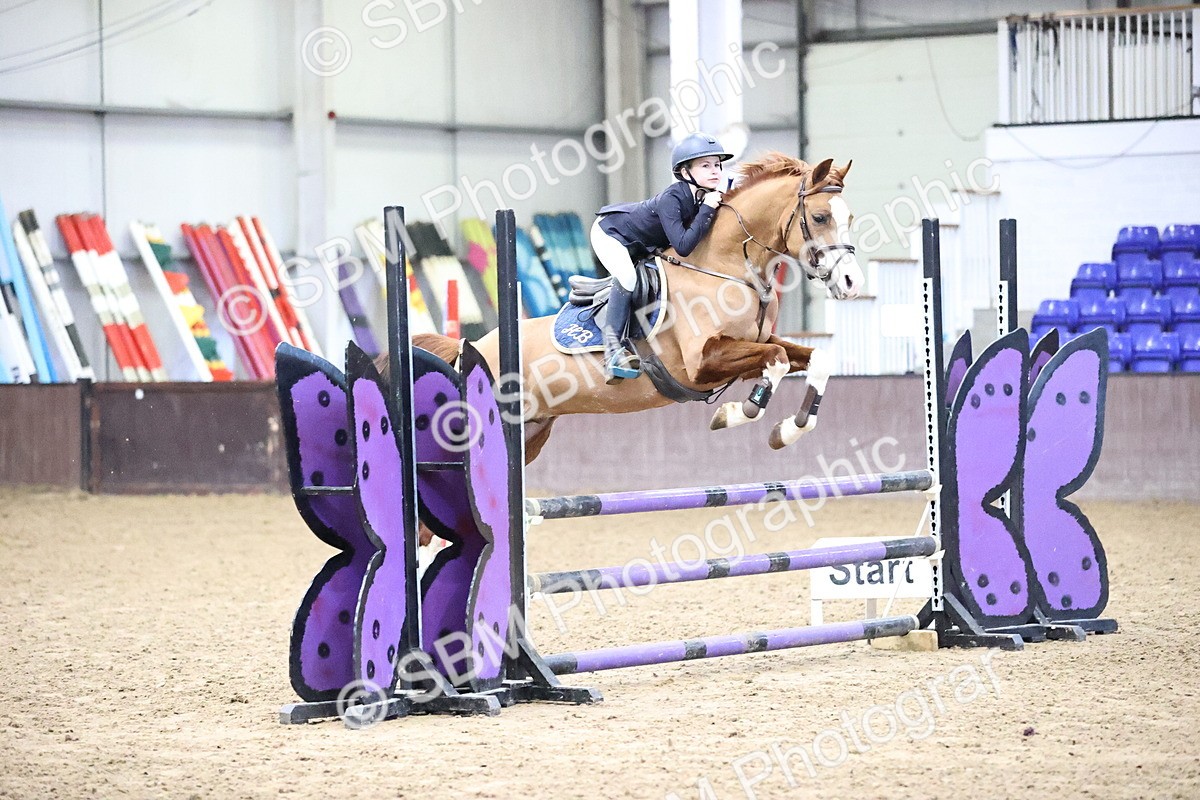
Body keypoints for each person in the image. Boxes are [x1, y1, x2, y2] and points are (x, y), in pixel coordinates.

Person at [591, 132, 733, 383]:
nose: (715, 171)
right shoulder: (673, 197)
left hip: (643, 243)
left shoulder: (706, 197)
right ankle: (612, 351)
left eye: (717, 165)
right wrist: (709, 208)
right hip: (611, 233)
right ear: (685, 172)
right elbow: (683, 246)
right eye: (705, 165)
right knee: (627, 278)